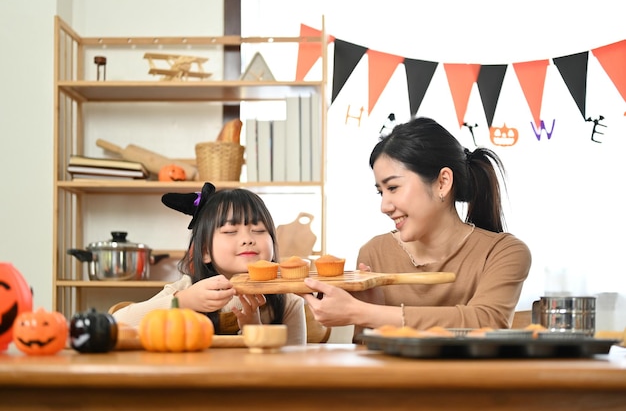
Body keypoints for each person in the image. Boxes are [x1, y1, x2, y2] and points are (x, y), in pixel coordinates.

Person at [302, 117, 531, 337]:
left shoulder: (503, 252)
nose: (384, 206)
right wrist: (371, 319)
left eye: (393, 187)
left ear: (443, 182)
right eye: (380, 192)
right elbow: (367, 358)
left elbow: (486, 321)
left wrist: (363, 312)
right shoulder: (374, 253)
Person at [113, 182, 306, 345]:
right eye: (230, 231)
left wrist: (253, 328)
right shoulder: (187, 289)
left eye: (259, 230)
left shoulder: (288, 302)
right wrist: (183, 301)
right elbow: (116, 324)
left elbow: (295, 372)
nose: (248, 239)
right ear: (205, 251)